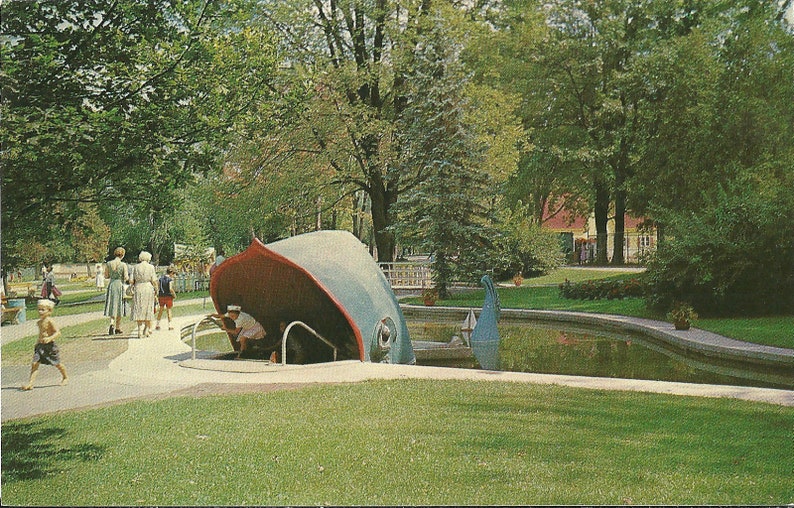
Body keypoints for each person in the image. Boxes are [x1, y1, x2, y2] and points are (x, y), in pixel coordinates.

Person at [21, 299, 68, 390]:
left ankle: (65, 377)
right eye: (39, 309)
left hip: (50, 346)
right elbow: (41, 334)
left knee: (57, 363)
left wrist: (50, 338)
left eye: (43, 310)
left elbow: (58, 332)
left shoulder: (50, 321)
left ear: (49, 311)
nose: (40, 312)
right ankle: (30, 383)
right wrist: (37, 344)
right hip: (40, 346)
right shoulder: (39, 322)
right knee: (34, 364)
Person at [130, 251, 158, 338]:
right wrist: (156, 289)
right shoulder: (151, 267)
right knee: (148, 308)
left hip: (138, 288)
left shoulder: (135, 267)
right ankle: (146, 330)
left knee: (139, 308)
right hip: (148, 288)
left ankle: (139, 330)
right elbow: (153, 280)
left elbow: (131, 280)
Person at [104, 247, 129, 335]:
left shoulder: (109, 263)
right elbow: (126, 277)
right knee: (119, 305)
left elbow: (106, 276)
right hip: (119, 284)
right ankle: (118, 327)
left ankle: (111, 323)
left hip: (112, 284)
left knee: (112, 304)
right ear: (122, 255)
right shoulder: (123, 265)